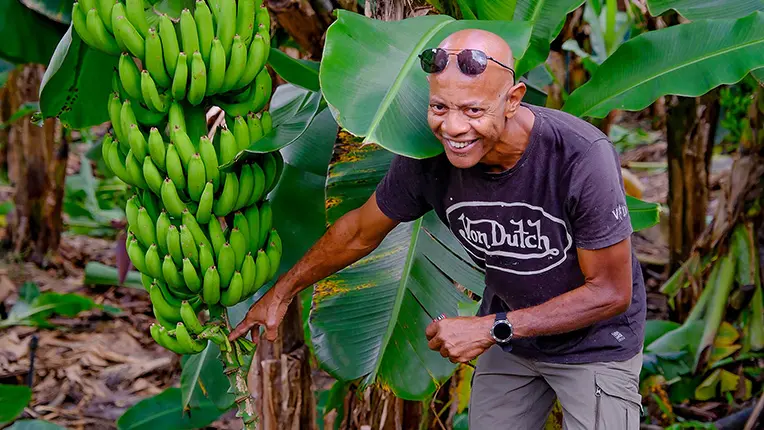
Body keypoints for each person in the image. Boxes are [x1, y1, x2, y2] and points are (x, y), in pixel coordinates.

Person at [230, 29, 646, 429]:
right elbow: (359, 231)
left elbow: (610, 293)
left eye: (473, 110)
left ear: (513, 99)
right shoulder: (431, 158)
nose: (453, 128)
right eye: (440, 108)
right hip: (512, 344)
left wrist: (493, 327)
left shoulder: (580, 156)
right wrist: (281, 293)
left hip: (594, 345)